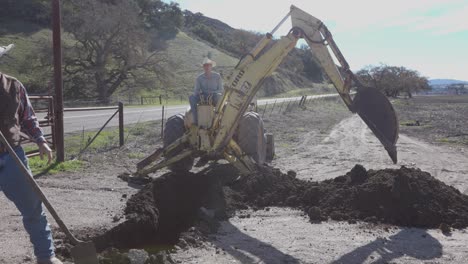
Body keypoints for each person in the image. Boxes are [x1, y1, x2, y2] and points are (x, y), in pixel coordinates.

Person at [0, 44, 62, 264]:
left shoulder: (14, 86)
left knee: (33, 208)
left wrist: (41, 141)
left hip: (12, 155)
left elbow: (28, 117)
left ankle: (46, 257)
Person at [189, 57, 224, 125]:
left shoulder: (217, 76)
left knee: (219, 98)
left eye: (208, 65)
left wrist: (213, 92)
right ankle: (196, 121)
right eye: (205, 65)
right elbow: (196, 90)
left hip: (214, 95)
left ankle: (219, 121)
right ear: (203, 67)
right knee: (192, 98)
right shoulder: (199, 78)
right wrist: (196, 94)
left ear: (211, 66)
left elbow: (221, 90)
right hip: (203, 96)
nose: (207, 67)